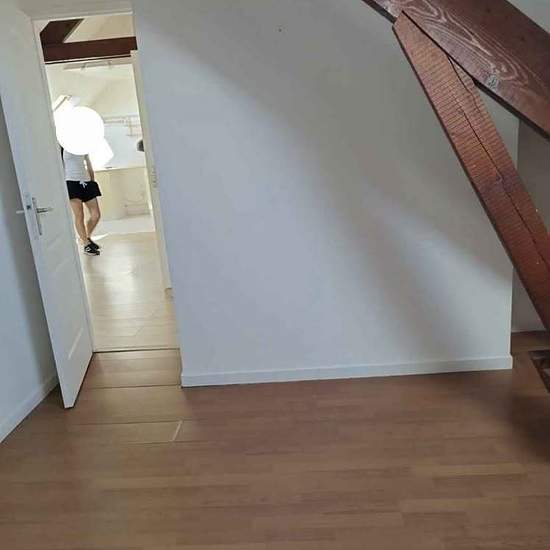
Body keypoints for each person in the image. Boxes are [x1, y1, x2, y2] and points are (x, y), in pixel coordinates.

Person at [62, 148, 102, 256]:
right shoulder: (62, 146)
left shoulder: (83, 145)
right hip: (71, 182)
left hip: (86, 181)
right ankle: (86, 244)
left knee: (96, 215)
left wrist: (92, 181)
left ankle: (86, 238)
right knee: (79, 215)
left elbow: (88, 163)